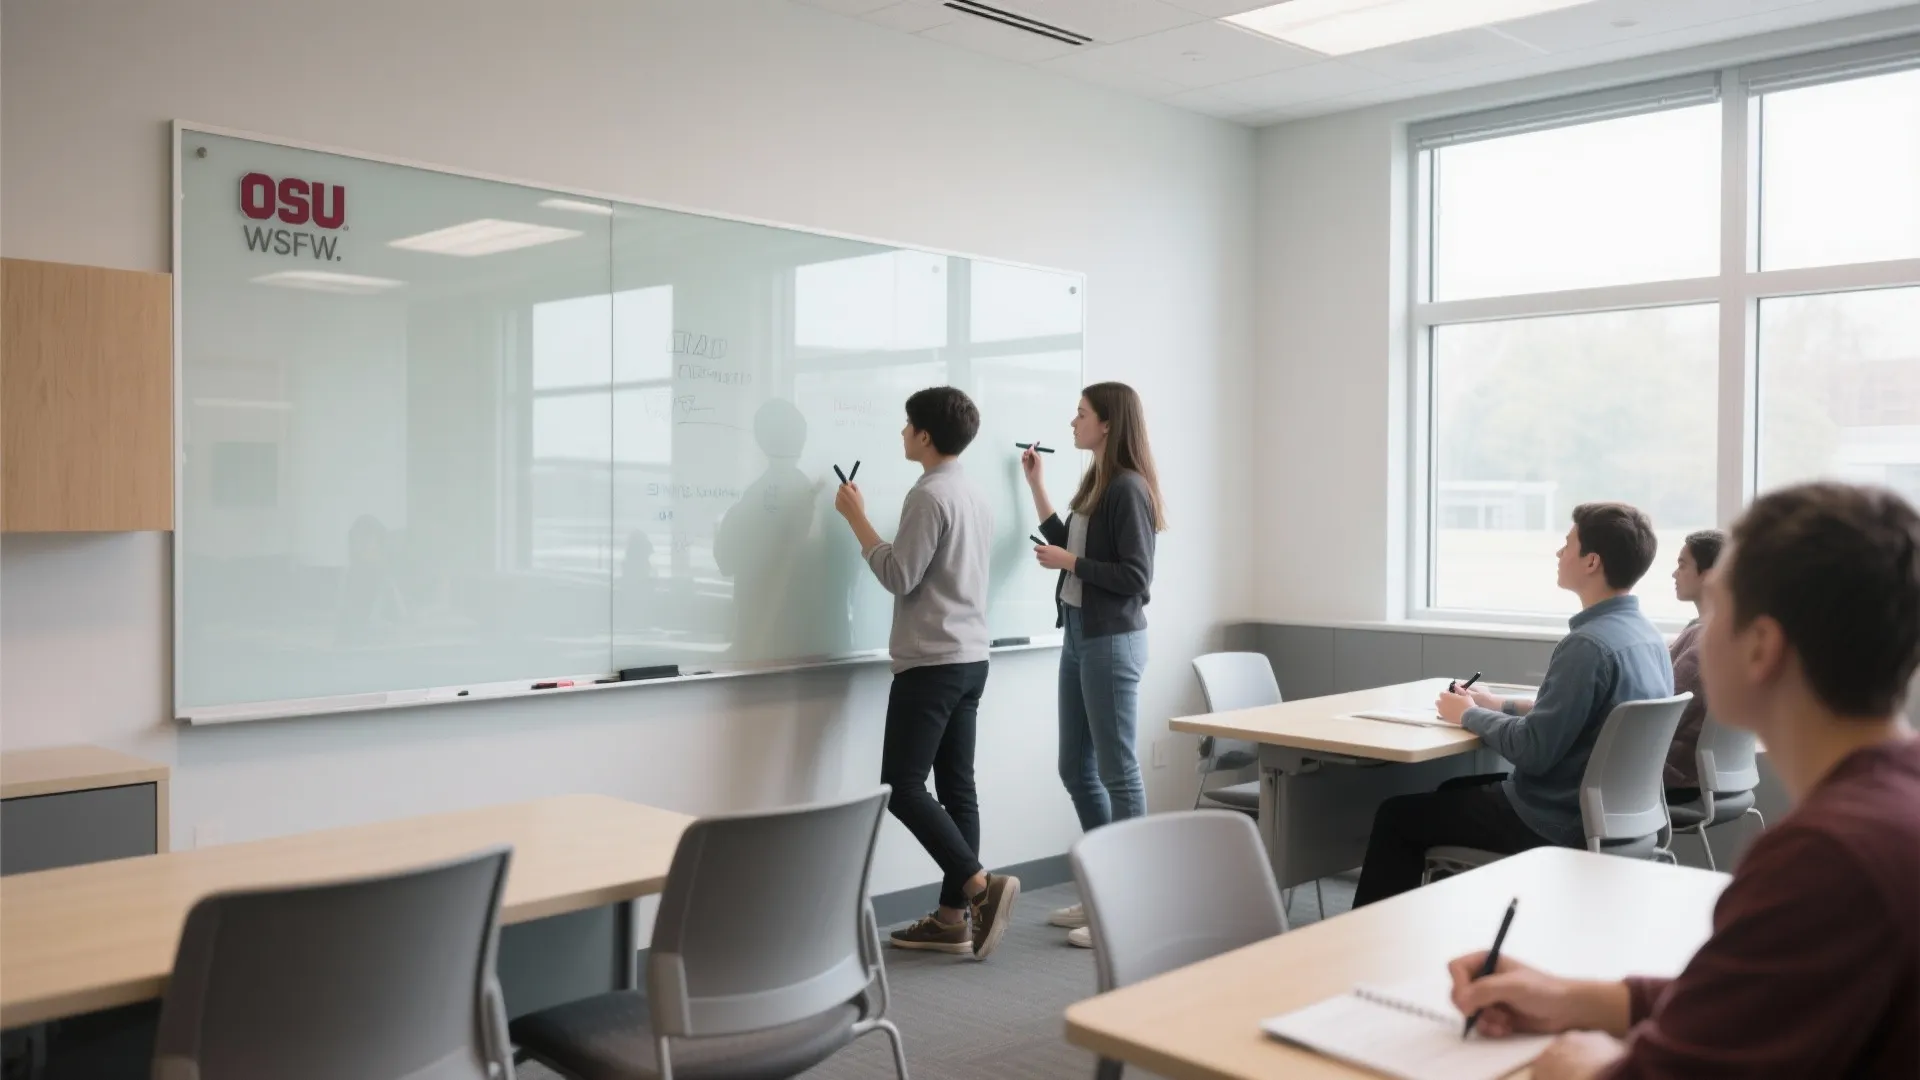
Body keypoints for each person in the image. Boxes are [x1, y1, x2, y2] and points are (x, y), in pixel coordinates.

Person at [1446, 482, 1920, 1080]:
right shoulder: (1892, 806)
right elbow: (1758, 1000)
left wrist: (1582, 1068)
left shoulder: (1827, 859)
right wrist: (1581, 1001)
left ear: (1761, 648)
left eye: (1719, 608)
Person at [1351, 503, 1672, 906]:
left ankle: (1370, 948)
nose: (1559, 553)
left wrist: (1467, 713)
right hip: (1621, 819)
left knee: (1397, 817)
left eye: (1567, 544)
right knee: (1451, 791)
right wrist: (1496, 705)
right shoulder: (1648, 638)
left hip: (1556, 821)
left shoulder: (1587, 646)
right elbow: (1582, 714)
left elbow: (1534, 751)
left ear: (1592, 561)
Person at [833, 386, 1019, 960]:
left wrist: (856, 519)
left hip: (932, 662)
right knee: (957, 788)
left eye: (907, 424)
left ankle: (979, 888)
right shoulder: (974, 493)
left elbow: (899, 574)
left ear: (926, 436)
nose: (902, 432)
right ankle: (950, 919)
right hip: (971, 658)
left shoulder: (928, 496)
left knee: (905, 787)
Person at [1020, 382, 1166, 948]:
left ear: (1107, 423)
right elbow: (1072, 545)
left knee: (1117, 771)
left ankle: (1132, 905)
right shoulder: (1096, 481)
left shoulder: (1128, 489)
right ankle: (1109, 887)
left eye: (1080, 414)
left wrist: (1070, 562)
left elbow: (1135, 578)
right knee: (1074, 767)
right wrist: (1037, 486)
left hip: (1111, 641)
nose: (1072, 421)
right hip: (1080, 634)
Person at [1663, 528, 1724, 803]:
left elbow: (1661, 709)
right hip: (1704, 776)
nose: (1675, 574)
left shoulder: (1703, 640)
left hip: (1673, 779)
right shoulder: (1729, 632)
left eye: (1682, 565)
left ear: (1709, 575)